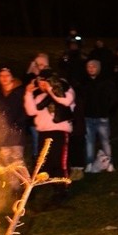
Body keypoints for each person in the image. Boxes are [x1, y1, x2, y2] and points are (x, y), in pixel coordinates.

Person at [23, 68, 75, 208]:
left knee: (59, 162)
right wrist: (28, 92)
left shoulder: (65, 90)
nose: (41, 85)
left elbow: (65, 102)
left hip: (59, 131)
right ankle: (52, 188)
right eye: (40, 82)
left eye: (44, 82)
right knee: (45, 162)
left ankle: (62, 189)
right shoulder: (39, 97)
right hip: (43, 133)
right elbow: (31, 111)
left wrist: (51, 90)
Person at [78, 59, 118, 172]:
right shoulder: (84, 82)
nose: (91, 69)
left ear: (98, 68)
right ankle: (89, 162)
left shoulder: (106, 82)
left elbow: (113, 98)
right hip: (88, 117)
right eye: (89, 67)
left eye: (93, 67)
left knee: (105, 141)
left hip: (102, 117)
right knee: (89, 141)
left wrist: (107, 109)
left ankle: (109, 163)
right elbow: (81, 99)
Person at [0, 67, 28, 193]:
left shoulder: (19, 92)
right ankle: (15, 188)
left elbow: (25, 110)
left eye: (7, 75)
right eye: (1, 75)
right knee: (7, 162)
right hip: (3, 133)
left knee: (17, 160)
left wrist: (18, 124)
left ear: (11, 77)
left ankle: (27, 185)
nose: (4, 78)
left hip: (17, 131)